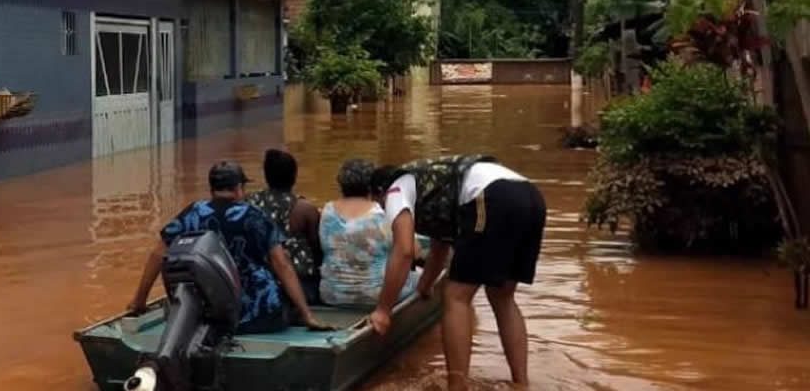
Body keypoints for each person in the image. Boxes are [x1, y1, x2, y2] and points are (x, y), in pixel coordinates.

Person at [369, 156, 546, 390]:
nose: (386, 211)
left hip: (492, 196)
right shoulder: (434, 186)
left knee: (455, 296)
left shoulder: (395, 190)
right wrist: (424, 285)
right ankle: (521, 384)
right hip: (531, 197)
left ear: (380, 193)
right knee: (502, 296)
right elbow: (440, 246)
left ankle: (457, 386)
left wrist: (383, 311)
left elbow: (404, 250)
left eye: (381, 206)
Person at [127, 161, 331, 334]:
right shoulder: (253, 216)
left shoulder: (194, 212)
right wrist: (307, 315)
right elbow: (282, 264)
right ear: (238, 189)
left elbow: (158, 253)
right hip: (257, 314)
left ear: (212, 189)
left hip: (207, 312)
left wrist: (139, 300)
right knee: (288, 300)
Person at [318, 159, 418, 307]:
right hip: (377, 297)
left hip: (331, 295)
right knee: (421, 276)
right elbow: (414, 251)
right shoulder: (382, 212)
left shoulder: (327, 211)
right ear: (371, 185)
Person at [246, 149, 322, 305]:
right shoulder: (305, 209)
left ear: (266, 176)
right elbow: (317, 251)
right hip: (301, 285)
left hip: (260, 282)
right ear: (294, 176)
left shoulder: (250, 204)